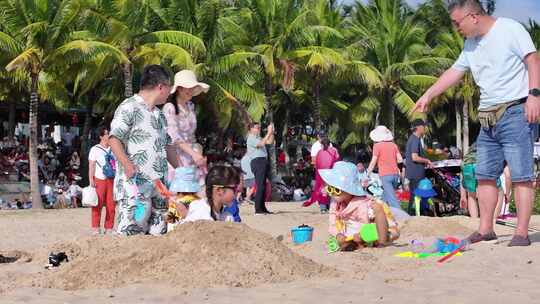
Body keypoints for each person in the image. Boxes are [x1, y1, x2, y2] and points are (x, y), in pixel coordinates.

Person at [413, 0, 540, 246]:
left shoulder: (509, 29)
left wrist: (535, 95)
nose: (456, 28)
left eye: (457, 22)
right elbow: (454, 71)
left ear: (472, 16)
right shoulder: (470, 45)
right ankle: (485, 229)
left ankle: (521, 233)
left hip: (516, 110)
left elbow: (533, 60)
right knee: (483, 175)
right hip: (487, 118)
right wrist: (428, 94)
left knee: (521, 175)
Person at [109, 65, 179, 236]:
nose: (170, 93)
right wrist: (127, 164)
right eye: (169, 88)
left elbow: (167, 145)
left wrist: (183, 170)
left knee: (160, 234)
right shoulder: (129, 107)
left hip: (160, 188)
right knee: (132, 232)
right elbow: (114, 138)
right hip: (135, 189)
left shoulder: (159, 115)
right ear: (161, 87)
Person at [320, 161, 399, 251]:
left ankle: (383, 242)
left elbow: (370, 222)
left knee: (377, 207)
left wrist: (362, 236)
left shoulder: (362, 204)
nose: (333, 193)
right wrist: (337, 234)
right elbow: (332, 220)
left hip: (371, 230)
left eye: (337, 190)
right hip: (350, 232)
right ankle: (355, 244)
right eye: (330, 189)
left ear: (350, 190)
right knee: (342, 242)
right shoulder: (335, 201)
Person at [163, 70, 210, 192]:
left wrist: (198, 153)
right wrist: (194, 154)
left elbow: (192, 135)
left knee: (195, 195)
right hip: (176, 157)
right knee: (180, 195)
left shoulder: (190, 106)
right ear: (179, 88)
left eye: (193, 87)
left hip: (192, 155)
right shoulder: (170, 108)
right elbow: (174, 137)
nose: (191, 90)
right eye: (187, 87)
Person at [366, 125, 403, 210]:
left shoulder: (377, 146)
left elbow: (373, 161)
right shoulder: (393, 145)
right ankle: (378, 211)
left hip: (385, 175)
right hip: (395, 174)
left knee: (392, 199)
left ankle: (401, 217)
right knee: (386, 196)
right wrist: (399, 170)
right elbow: (400, 159)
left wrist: (367, 173)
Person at [88, 127, 116, 234]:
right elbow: (92, 165)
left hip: (112, 179)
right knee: (97, 204)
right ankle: (95, 227)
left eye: (109, 134)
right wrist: (91, 179)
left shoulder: (113, 148)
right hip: (99, 179)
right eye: (106, 134)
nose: (108, 136)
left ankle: (109, 227)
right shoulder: (94, 149)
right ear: (101, 136)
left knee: (111, 205)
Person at [303, 136, 339, 213]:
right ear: (330, 144)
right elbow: (337, 160)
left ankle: (323, 208)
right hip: (331, 173)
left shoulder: (319, 152)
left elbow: (317, 163)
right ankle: (330, 207)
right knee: (331, 190)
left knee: (322, 189)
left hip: (321, 174)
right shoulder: (334, 150)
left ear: (322, 145)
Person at [405, 119, 433, 215]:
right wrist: (427, 161)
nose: (425, 128)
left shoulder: (413, 138)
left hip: (413, 172)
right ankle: (416, 214)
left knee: (414, 195)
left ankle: (412, 213)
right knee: (417, 195)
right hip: (416, 173)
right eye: (424, 126)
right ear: (419, 127)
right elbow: (414, 157)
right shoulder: (415, 139)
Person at [246, 122, 274, 215]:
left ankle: (262, 208)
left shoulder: (258, 137)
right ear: (251, 129)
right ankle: (258, 209)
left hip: (263, 161)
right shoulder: (251, 138)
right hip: (257, 161)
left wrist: (272, 132)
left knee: (263, 186)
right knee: (260, 186)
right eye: (257, 128)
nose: (258, 129)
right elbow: (260, 144)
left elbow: (270, 142)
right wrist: (269, 133)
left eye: (259, 128)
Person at [163, 166, 201, 231]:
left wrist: (165, 217)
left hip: (178, 233)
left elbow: (171, 220)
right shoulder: (198, 199)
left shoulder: (176, 203)